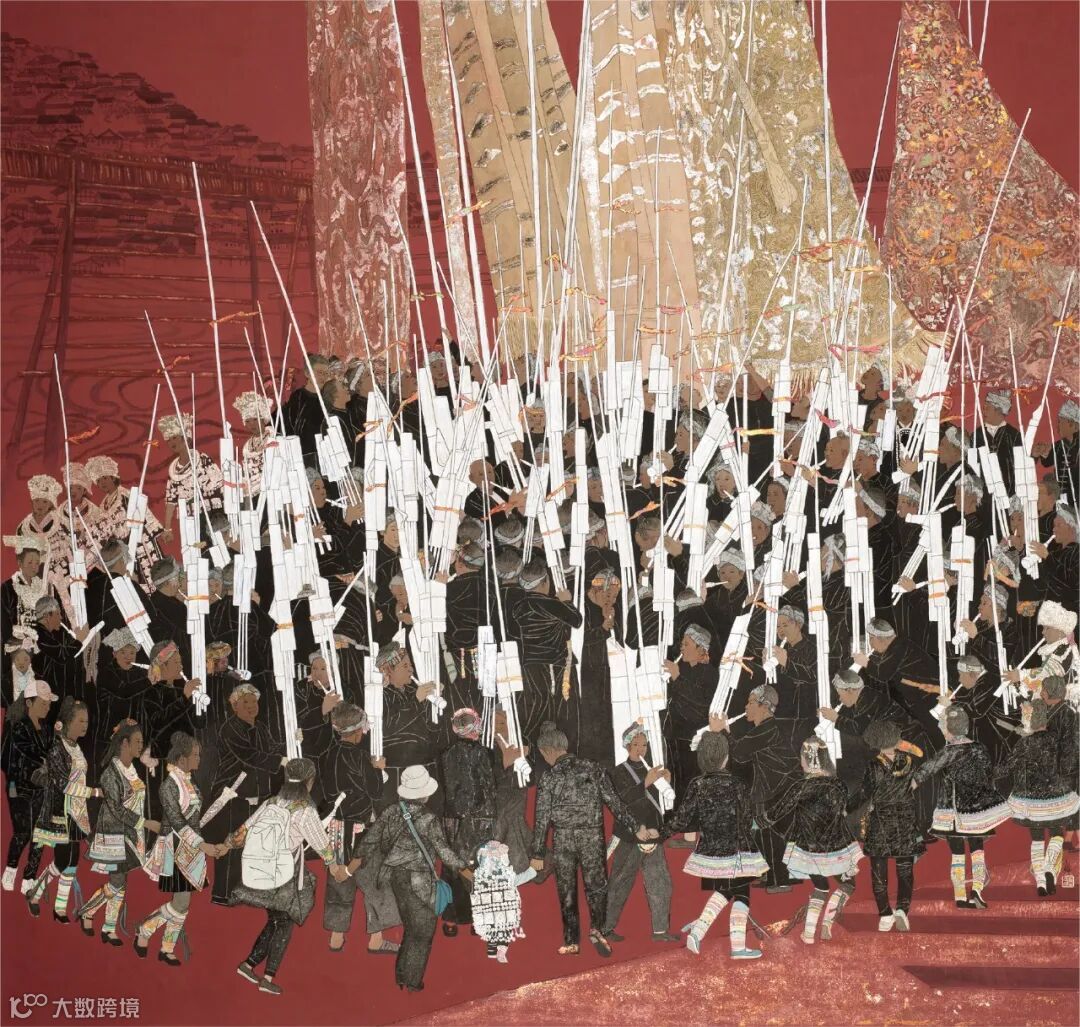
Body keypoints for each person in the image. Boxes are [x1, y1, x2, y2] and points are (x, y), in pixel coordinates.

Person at [529, 722, 656, 957]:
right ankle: (597, 930)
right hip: (591, 835)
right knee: (597, 886)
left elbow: (542, 817)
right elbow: (615, 802)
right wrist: (635, 826)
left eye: (543, 755)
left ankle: (571, 941)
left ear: (548, 751)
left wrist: (537, 853)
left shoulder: (549, 777)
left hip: (563, 838)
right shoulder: (593, 768)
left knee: (566, 889)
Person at [229, 757, 349, 995]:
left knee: (276, 919)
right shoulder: (305, 811)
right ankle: (267, 977)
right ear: (310, 782)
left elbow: (244, 830)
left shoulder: (272, 802)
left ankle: (248, 965)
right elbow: (321, 843)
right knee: (285, 922)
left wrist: (228, 844)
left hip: (262, 869)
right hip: (285, 873)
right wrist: (335, 867)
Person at [356, 765, 474, 993]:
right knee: (422, 932)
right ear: (425, 794)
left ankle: (402, 975)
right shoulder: (428, 819)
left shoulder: (391, 812)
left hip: (394, 877)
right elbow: (444, 852)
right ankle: (411, 981)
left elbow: (370, 841)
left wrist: (350, 868)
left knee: (411, 927)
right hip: (419, 880)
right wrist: (467, 872)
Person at [661, 731, 767, 958]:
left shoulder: (697, 784)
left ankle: (699, 928)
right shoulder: (737, 784)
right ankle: (735, 946)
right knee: (742, 894)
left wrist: (660, 834)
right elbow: (746, 819)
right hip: (737, 850)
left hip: (711, 851)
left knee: (727, 890)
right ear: (726, 758)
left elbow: (681, 819)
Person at [138, 732, 227, 964]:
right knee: (182, 902)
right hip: (175, 846)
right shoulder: (168, 786)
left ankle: (165, 947)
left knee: (183, 902)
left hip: (191, 845)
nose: (199, 759)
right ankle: (146, 930)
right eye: (195, 755)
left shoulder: (190, 781)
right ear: (181, 759)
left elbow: (194, 818)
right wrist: (203, 845)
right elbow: (177, 822)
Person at [764, 737, 863, 944]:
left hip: (808, 850)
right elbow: (844, 811)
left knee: (820, 887)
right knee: (847, 884)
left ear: (807, 759)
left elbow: (774, 814)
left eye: (801, 757)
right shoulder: (838, 785)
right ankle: (827, 922)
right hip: (837, 848)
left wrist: (757, 820)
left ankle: (808, 933)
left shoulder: (800, 786)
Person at [321, 702, 400, 956]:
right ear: (356, 731)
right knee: (374, 881)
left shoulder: (327, 755)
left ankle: (336, 937)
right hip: (361, 826)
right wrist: (379, 770)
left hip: (336, 827)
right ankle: (376, 939)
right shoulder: (360, 757)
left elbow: (327, 792)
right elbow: (375, 791)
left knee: (339, 881)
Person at [911, 707, 1011, 909]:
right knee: (977, 849)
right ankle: (977, 889)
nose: (940, 728)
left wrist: (908, 786)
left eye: (942, 725)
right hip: (977, 811)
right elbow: (989, 773)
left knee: (957, 853)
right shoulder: (979, 748)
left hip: (954, 811)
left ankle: (959, 897)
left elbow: (927, 770)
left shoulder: (949, 751)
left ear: (949, 729)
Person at [77, 721, 161, 943]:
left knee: (120, 881)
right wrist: (145, 823)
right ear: (124, 743)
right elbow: (116, 809)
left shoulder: (133, 770)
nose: (141, 746)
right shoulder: (110, 774)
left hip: (130, 833)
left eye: (142, 742)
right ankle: (89, 913)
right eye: (137, 741)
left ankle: (107, 926)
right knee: (117, 881)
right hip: (113, 834)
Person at [714, 684, 802, 890]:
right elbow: (743, 753)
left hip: (781, 788)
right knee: (765, 832)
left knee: (772, 833)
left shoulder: (768, 728)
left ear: (764, 706)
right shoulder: (765, 728)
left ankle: (779, 880)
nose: (746, 707)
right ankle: (772, 875)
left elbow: (739, 753)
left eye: (751, 702)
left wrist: (723, 731)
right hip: (772, 787)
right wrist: (726, 731)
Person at [209, 683, 287, 905]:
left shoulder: (260, 727)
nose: (251, 706)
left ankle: (247, 891)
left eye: (254, 702)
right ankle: (223, 894)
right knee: (231, 845)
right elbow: (249, 755)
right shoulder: (230, 729)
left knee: (255, 846)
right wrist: (279, 760)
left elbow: (272, 748)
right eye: (245, 702)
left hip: (260, 795)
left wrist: (291, 742)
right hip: (234, 795)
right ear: (234, 706)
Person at [602, 723, 677, 943]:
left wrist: (665, 783)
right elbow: (621, 802)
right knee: (619, 883)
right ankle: (605, 928)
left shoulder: (651, 770)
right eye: (636, 744)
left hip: (652, 834)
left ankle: (660, 931)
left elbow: (656, 806)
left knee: (660, 882)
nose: (640, 749)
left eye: (644, 745)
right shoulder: (617, 772)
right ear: (627, 746)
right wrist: (646, 782)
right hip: (629, 836)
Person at [26, 697, 101, 919]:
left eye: (86, 721)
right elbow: (63, 785)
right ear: (67, 722)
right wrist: (93, 792)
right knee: (61, 860)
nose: (85, 725)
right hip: (61, 811)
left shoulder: (77, 747)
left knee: (72, 862)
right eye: (80, 721)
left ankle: (59, 907)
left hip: (77, 811)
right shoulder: (57, 749)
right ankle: (35, 894)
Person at [999, 699, 1080, 897]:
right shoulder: (1056, 740)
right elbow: (1069, 765)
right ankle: (1050, 869)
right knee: (1057, 834)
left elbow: (1005, 768)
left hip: (1030, 802)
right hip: (1057, 798)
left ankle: (1041, 882)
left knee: (1036, 839)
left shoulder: (1024, 743)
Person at [849, 720, 923, 932]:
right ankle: (902, 911)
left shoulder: (874, 766)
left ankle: (885, 914)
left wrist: (846, 808)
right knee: (905, 871)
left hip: (881, 822)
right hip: (905, 821)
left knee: (878, 873)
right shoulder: (909, 761)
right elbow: (918, 758)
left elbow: (864, 793)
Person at [439, 707, 499, 936]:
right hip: (480, 818)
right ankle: (477, 919)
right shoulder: (485, 753)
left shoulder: (446, 754)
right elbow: (487, 787)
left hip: (452, 817)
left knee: (453, 866)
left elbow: (447, 788)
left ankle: (451, 919)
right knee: (480, 865)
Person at [2, 680, 55, 892]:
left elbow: (51, 753)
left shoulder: (48, 729)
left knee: (40, 834)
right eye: (43, 703)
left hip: (42, 788)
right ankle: (11, 868)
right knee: (23, 832)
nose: (47, 707)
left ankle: (29, 877)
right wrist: (46, 760)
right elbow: (29, 753)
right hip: (19, 787)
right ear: (29, 703)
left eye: (49, 703)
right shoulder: (19, 727)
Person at [470, 840, 535, 962]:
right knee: (500, 931)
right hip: (501, 913)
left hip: (493, 913)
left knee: (494, 931)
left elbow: (473, 892)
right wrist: (532, 871)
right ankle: (498, 950)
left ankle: (495, 950)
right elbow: (521, 878)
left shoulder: (480, 879)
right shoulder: (505, 877)